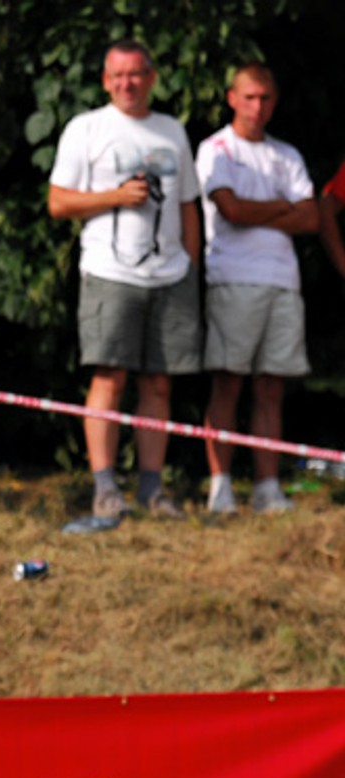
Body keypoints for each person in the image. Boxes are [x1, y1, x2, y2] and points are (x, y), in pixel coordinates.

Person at [48, 39, 200, 521]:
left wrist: (191, 265)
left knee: (158, 383)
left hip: (171, 275)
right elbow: (59, 203)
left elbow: (188, 204)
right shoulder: (86, 128)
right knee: (109, 378)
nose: (126, 83)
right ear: (104, 81)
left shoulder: (172, 130)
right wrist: (114, 196)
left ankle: (152, 490)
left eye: (135, 74)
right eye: (117, 76)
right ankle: (106, 487)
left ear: (152, 77)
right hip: (110, 272)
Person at [196, 63, 315, 515]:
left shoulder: (287, 155)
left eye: (265, 97)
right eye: (249, 97)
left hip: (283, 282)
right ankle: (220, 486)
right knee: (228, 383)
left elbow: (310, 218)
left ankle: (267, 487)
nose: (257, 106)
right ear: (231, 98)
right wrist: (283, 207)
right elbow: (231, 210)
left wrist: (264, 211)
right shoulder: (215, 150)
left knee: (270, 388)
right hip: (233, 279)